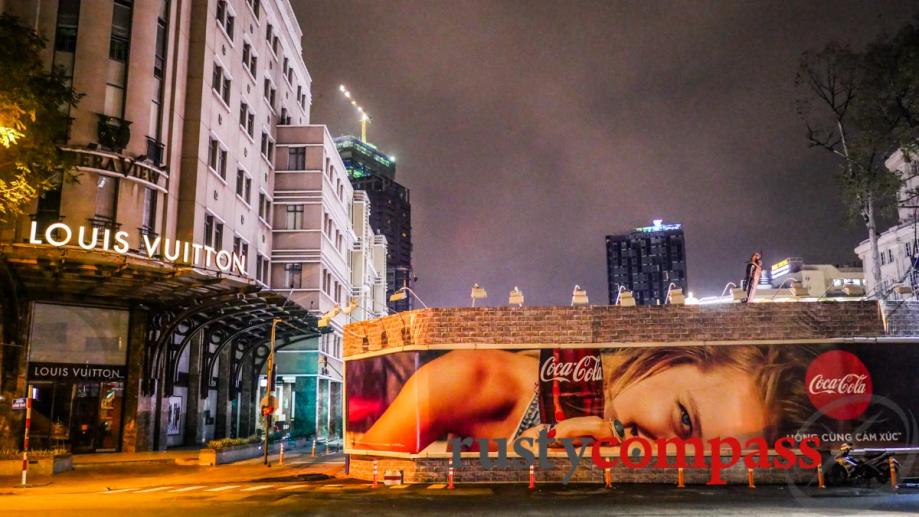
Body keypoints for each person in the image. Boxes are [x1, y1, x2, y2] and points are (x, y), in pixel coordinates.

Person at [352, 345, 814, 453]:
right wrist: (522, 464)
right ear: (669, 359)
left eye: (706, 455)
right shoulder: (475, 380)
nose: (662, 453)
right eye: (684, 421)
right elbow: (369, 477)